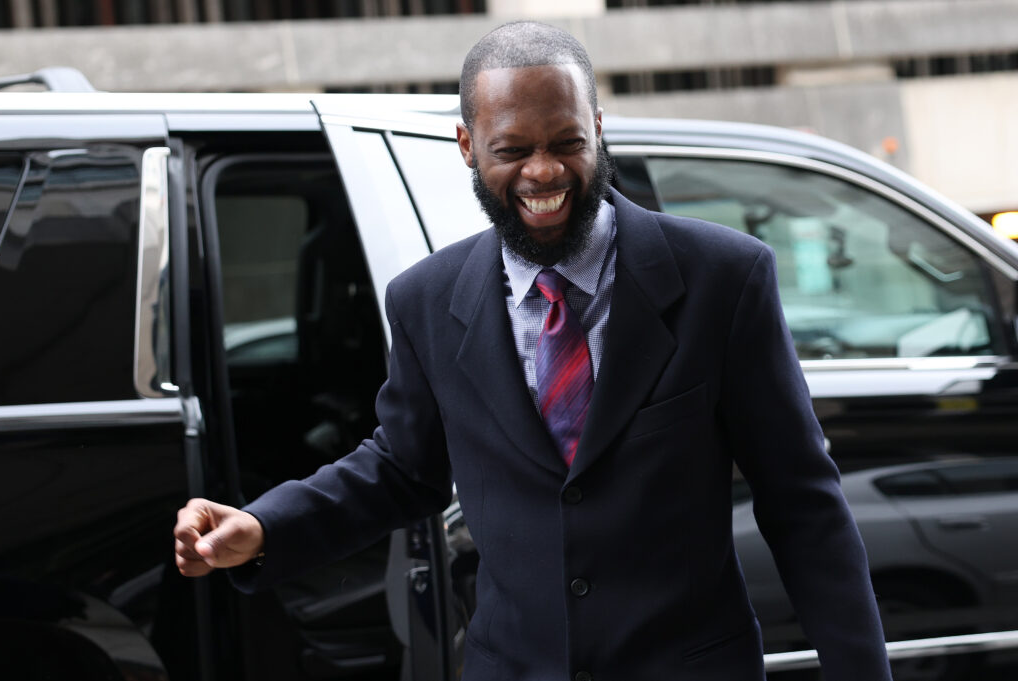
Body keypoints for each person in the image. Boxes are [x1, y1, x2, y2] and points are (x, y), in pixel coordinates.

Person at [175, 21, 893, 681]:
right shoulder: (425, 300)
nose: (544, 172)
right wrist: (266, 525)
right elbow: (402, 468)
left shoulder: (723, 278)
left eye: (567, 143)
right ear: (467, 146)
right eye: (513, 150)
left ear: (598, 129)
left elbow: (801, 502)